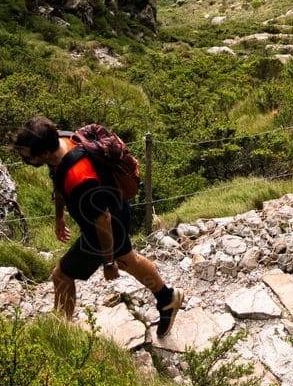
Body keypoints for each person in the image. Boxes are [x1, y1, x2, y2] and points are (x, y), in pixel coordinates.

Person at [13, 116, 183, 337]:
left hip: (105, 226)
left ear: (44, 153)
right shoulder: (65, 139)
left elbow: (102, 220)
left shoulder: (79, 176)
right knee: (128, 259)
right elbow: (58, 179)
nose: (24, 160)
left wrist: (108, 261)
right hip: (116, 208)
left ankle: (59, 335)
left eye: (27, 158)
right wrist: (59, 217)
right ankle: (167, 298)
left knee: (62, 275)